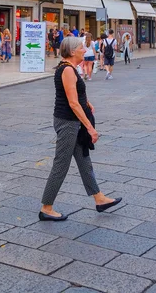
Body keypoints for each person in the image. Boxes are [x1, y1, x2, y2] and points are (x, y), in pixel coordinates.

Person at [39, 37, 122, 221]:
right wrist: (90, 128)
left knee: (84, 159)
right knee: (61, 164)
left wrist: (87, 102)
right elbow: (73, 103)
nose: (84, 50)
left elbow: (75, 95)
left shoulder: (69, 68)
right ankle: (46, 207)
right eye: (81, 47)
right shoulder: (67, 70)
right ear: (72, 51)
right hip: (68, 122)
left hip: (71, 121)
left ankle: (99, 198)